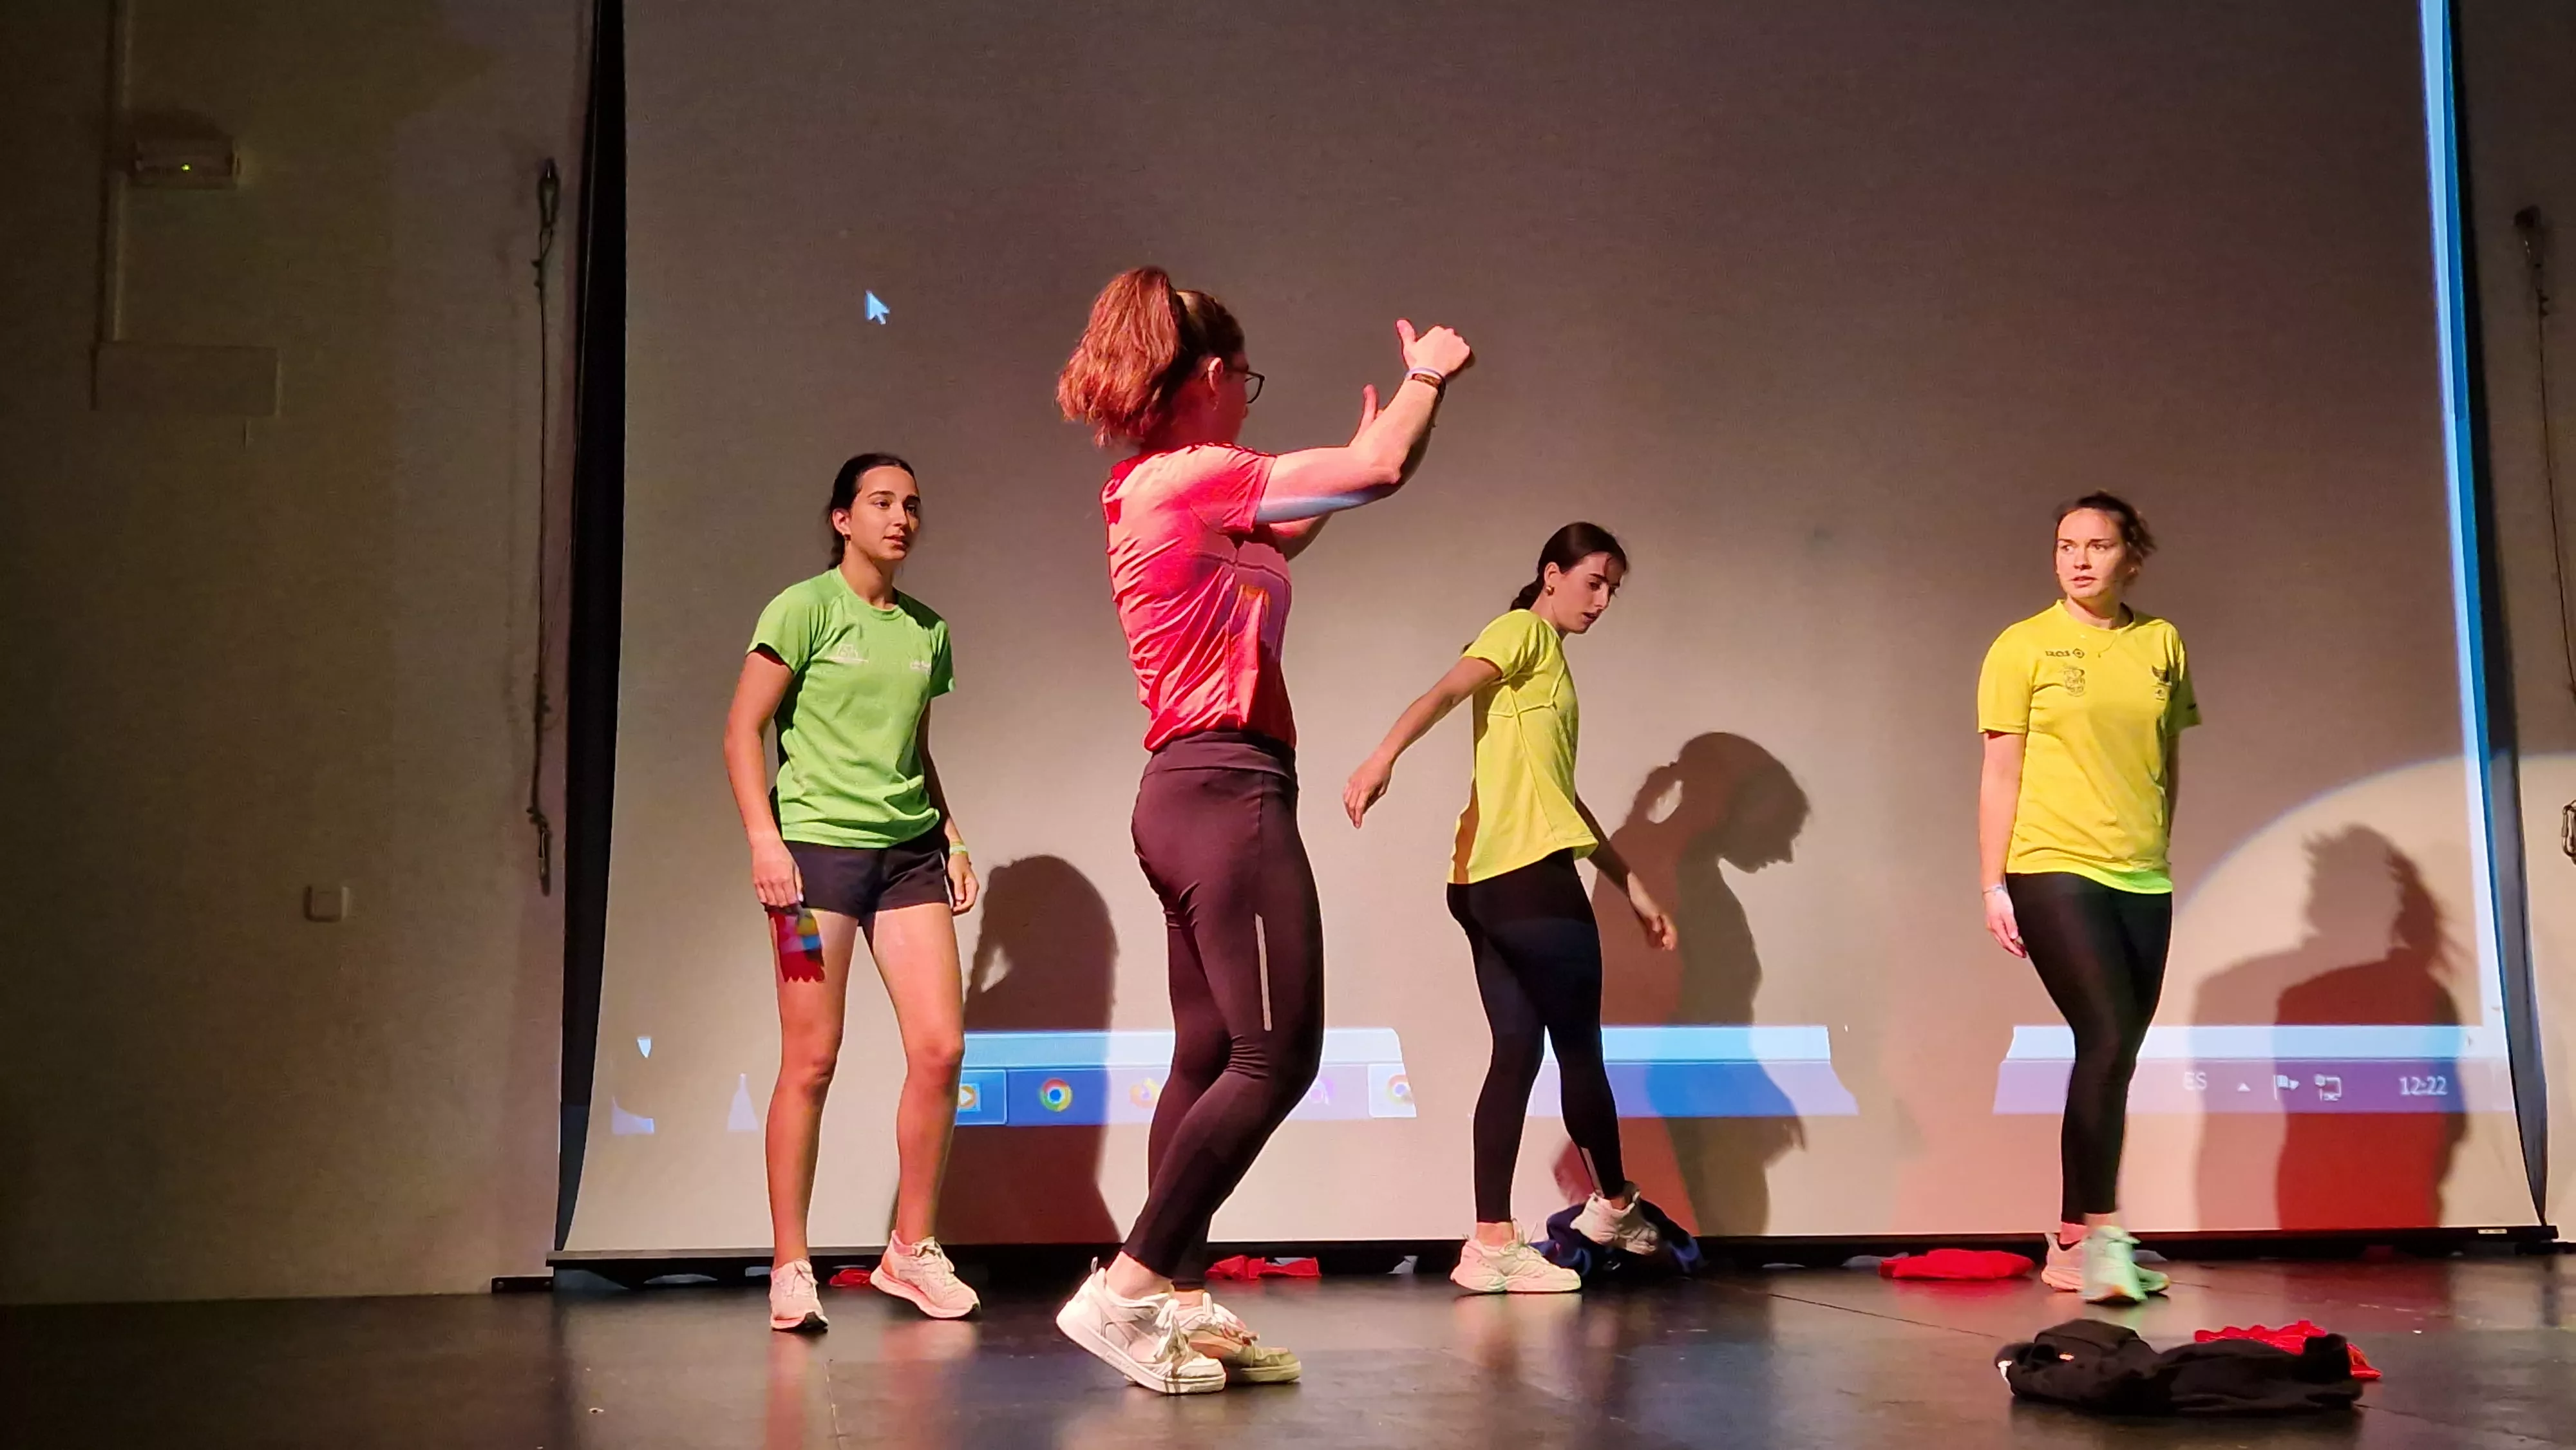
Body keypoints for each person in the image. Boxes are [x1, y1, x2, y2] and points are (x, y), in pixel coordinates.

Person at [1050, 266, 1473, 1393]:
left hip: (1202, 791)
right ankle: (1130, 1286)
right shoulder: (1188, 477)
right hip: (1223, 792)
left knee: (1206, 1053)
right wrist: (1430, 372)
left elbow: (1337, 498)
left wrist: (1392, 434)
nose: (1253, 402)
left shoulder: (1175, 493)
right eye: (1249, 380)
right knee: (1278, 1053)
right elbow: (1373, 475)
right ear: (1214, 377)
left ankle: (1173, 1298)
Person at [1344, 523, 1679, 1294]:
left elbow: (1558, 797)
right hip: (1525, 878)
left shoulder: (1548, 664)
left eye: (1613, 589)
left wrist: (1629, 884)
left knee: (1518, 1051)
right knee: (1579, 1049)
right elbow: (1445, 688)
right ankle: (1615, 1204)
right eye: (1593, 581)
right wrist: (1382, 755)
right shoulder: (1524, 629)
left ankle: (1490, 1240)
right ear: (1550, 574)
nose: (1601, 600)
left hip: (1484, 883)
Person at [721, 453, 982, 1331]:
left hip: (905, 858)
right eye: (880, 503)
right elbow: (740, 731)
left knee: (942, 1049)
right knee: (812, 1058)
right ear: (842, 518)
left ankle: (911, 1250)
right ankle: (790, 1264)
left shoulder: (926, 631)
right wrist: (766, 842)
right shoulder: (802, 609)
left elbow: (914, 748)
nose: (900, 518)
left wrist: (950, 837)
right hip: (809, 870)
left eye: (912, 504)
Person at [1976, 492, 2197, 1304]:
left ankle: (2073, 1237)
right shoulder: (2023, 645)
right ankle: (2102, 1230)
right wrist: (1994, 881)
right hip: (2051, 863)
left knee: (2116, 1054)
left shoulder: (2160, 642)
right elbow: (2000, 769)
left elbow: (2166, 757)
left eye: (2097, 545)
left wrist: (2157, 844)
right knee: (2103, 1037)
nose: (2079, 559)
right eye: (2067, 544)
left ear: (2128, 556)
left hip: (2141, 871)